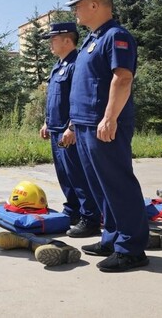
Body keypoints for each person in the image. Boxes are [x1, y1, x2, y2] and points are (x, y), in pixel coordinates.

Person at [61, 0, 150, 272]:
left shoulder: (116, 36)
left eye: (77, 5)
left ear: (94, 5)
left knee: (118, 185)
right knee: (101, 186)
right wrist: (74, 123)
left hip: (105, 125)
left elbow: (122, 78)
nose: (74, 11)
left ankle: (131, 248)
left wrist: (110, 117)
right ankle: (112, 237)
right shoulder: (91, 39)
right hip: (86, 124)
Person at [41, 22, 102, 237]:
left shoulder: (77, 64)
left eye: (53, 39)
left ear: (68, 40)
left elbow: (80, 99)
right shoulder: (59, 65)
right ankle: (73, 211)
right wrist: (47, 122)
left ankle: (90, 217)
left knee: (78, 175)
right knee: (65, 174)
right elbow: (55, 98)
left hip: (69, 131)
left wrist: (72, 127)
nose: (50, 43)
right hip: (56, 128)